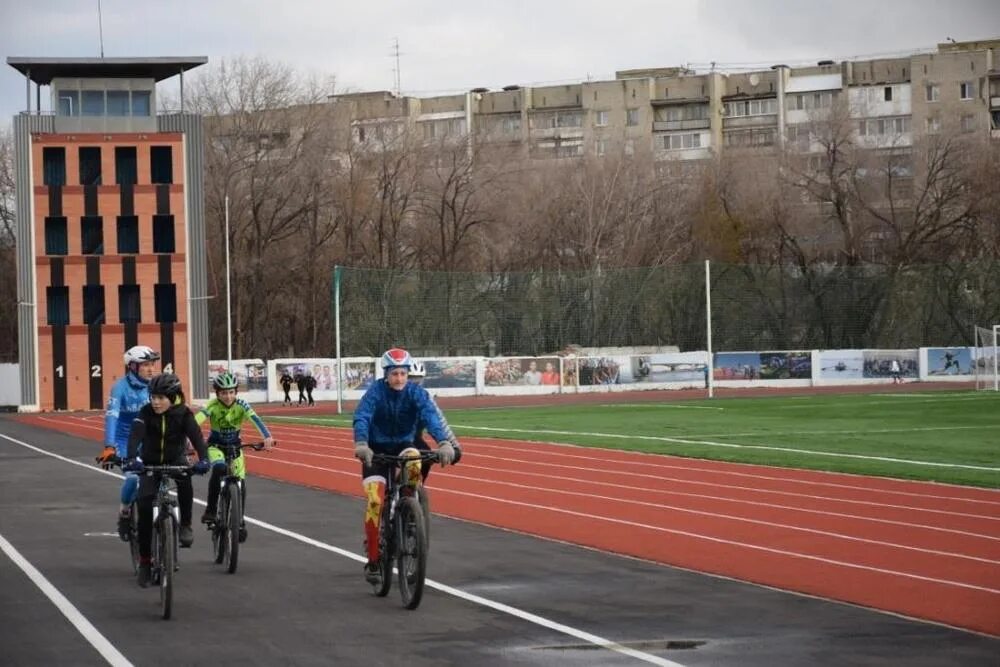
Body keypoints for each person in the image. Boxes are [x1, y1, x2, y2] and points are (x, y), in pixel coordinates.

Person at [352, 348, 456, 584]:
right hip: (375, 450)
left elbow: (430, 416)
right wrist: (361, 443)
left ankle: (409, 509)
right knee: (376, 500)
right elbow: (362, 416)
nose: (399, 378)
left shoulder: (416, 393)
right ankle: (374, 558)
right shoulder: (375, 392)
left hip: (403, 444)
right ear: (386, 374)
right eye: (394, 374)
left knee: (415, 457)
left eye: (403, 373)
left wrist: (443, 442)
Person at [122, 373, 210, 587]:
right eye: (153, 397)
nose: (155, 402)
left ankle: (186, 524)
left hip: (176, 459)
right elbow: (135, 436)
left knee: (186, 483)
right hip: (149, 463)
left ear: (173, 397)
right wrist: (132, 458)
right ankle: (144, 562)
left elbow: (197, 437)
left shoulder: (184, 414)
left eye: (161, 398)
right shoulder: (145, 413)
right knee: (144, 507)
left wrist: (204, 459)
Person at [195, 372, 275, 542]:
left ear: (236, 392)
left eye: (231, 392)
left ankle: (240, 521)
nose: (228, 396)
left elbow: (255, 419)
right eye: (224, 392)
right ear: (217, 393)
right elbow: (197, 421)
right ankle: (210, 510)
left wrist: (267, 436)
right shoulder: (212, 405)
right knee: (218, 468)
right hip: (216, 447)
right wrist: (189, 438)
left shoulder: (242, 405)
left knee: (241, 483)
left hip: (235, 447)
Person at [96, 345, 159, 541]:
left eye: (152, 364)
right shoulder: (120, 388)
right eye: (145, 365)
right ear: (132, 367)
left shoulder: (156, 385)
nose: (151, 369)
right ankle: (124, 512)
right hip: (125, 441)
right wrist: (109, 446)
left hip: (150, 441)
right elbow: (112, 417)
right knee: (132, 478)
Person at [408, 361, 462, 483]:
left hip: (413, 438)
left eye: (418, 379)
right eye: (411, 378)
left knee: (426, 458)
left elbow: (438, 421)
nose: (415, 382)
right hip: (388, 437)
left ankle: (416, 488)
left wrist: (453, 445)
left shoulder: (426, 399)